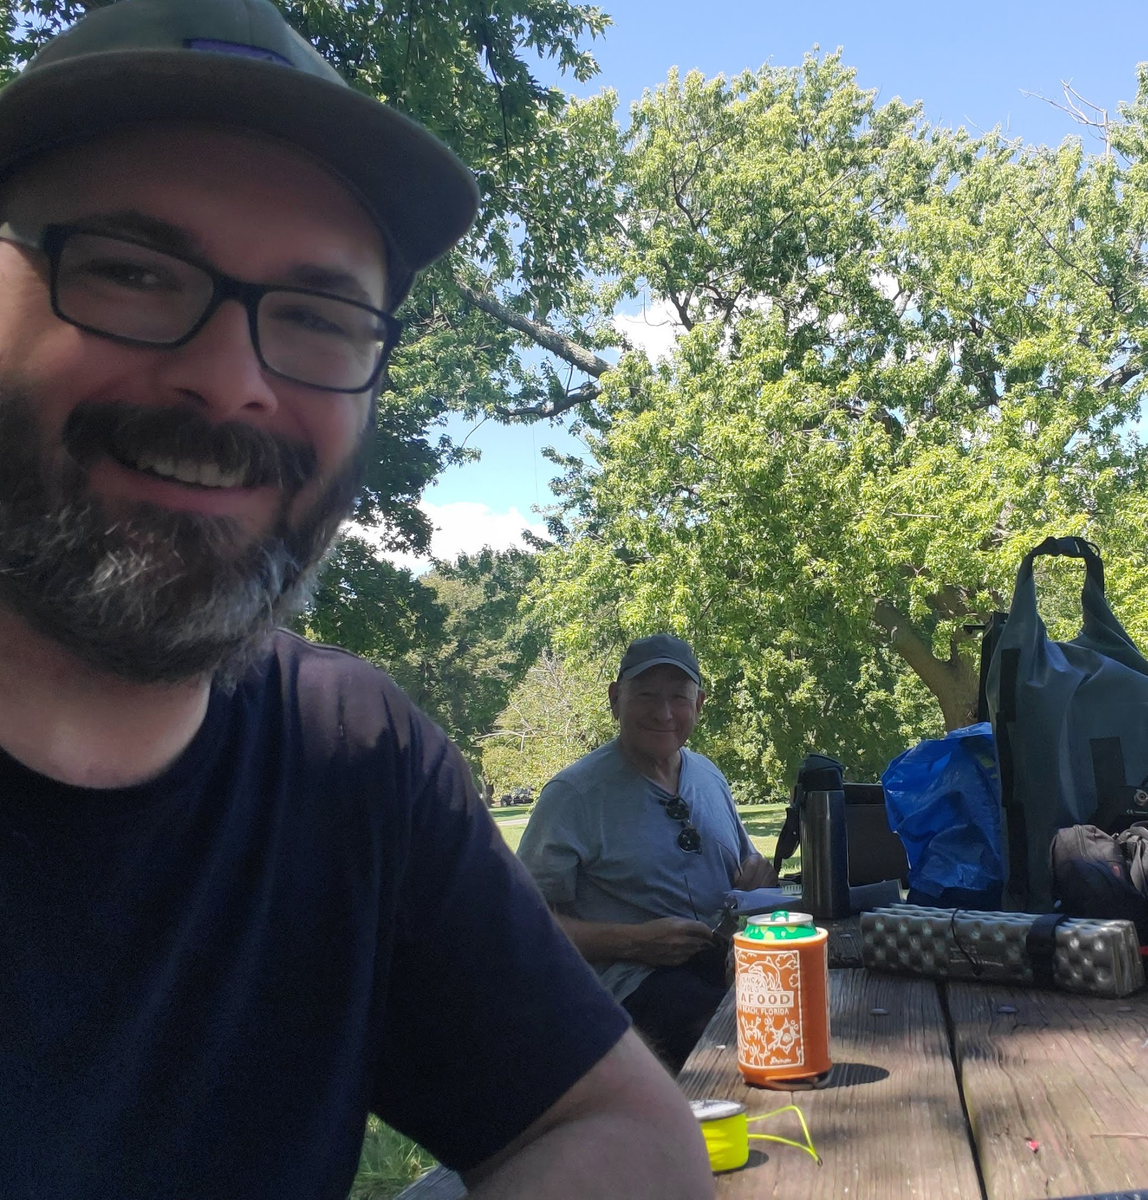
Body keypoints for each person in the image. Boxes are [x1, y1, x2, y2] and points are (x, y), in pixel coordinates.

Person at [0, 2, 712, 1198]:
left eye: (318, 319)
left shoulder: (347, 755)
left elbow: (618, 1133)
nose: (230, 381)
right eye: (130, 271)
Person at [518, 634, 780, 1071]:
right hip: (629, 991)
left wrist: (759, 877)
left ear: (699, 705)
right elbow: (522, 924)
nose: (663, 713)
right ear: (615, 699)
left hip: (727, 964)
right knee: (741, 1034)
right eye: (646, 696)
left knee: (816, 997)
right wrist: (634, 942)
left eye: (678, 697)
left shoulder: (709, 776)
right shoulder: (574, 795)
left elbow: (749, 869)